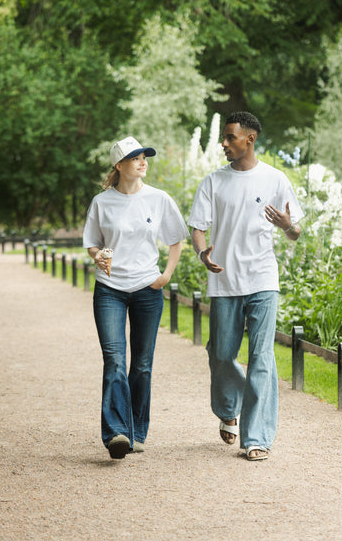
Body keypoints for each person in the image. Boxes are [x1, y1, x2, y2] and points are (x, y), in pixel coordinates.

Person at [188, 111, 304, 461]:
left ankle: (257, 438)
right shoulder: (213, 182)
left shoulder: (275, 178)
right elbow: (197, 227)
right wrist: (201, 253)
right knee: (221, 354)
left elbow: (296, 230)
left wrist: (287, 225)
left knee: (262, 358)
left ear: (249, 139)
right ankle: (228, 407)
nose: (223, 143)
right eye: (223, 138)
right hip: (224, 279)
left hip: (263, 280)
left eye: (230, 137)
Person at [83, 136, 189, 459]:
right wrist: (98, 255)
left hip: (147, 289)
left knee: (142, 364)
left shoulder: (158, 199)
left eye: (144, 156)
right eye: (134, 157)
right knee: (114, 359)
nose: (143, 161)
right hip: (110, 290)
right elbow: (92, 243)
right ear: (119, 165)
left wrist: (166, 275)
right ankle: (116, 432)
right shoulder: (102, 202)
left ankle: (137, 431)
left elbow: (176, 239)